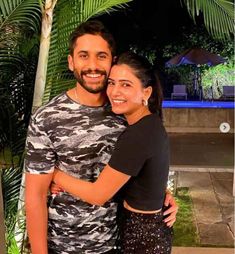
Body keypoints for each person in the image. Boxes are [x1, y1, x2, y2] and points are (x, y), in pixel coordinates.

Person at [25, 20, 178, 254]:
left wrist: (158, 198)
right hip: (63, 246)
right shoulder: (47, 118)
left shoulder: (124, 112)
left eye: (101, 56)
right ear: (71, 62)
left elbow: (138, 165)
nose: (93, 65)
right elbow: (35, 195)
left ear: (112, 61)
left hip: (116, 244)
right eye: (84, 56)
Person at [52, 51, 173, 253]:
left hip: (142, 238)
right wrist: (164, 195)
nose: (114, 92)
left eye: (126, 84)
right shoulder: (151, 124)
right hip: (151, 230)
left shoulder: (138, 134)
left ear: (146, 92)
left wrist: (55, 175)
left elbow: (98, 195)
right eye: (111, 83)